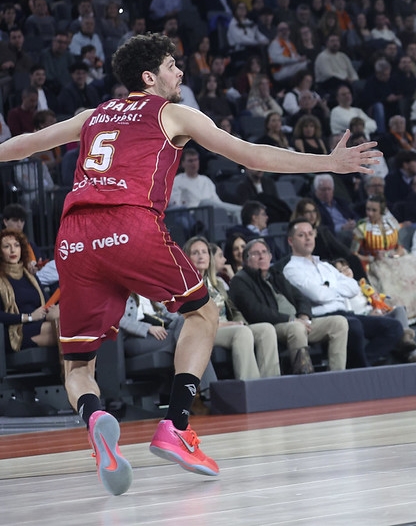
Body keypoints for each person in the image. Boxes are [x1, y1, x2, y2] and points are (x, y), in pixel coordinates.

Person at [0, 32, 379, 496]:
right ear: (149, 77)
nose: (180, 72)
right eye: (171, 65)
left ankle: (95, 418)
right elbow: (251, 154)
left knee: (77, 364)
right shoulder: (172, 113)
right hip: (130, 224)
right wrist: (328, 162)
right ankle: (176, 426)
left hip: (74, 238)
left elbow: (27, 144)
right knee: (203, 313)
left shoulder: (92, 115)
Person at [282, 220, 403, 367]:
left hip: (346, 314)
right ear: (291, 241)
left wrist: (327, 287)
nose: (308, 238)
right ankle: (360, 368)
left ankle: (360, 366)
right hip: (322, 318)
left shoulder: (325, 266)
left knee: (393, 327)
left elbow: (353, 287)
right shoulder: (291, 269)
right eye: (301, 235)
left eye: (310, 234)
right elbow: (318, 296)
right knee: (353, 325)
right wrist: (337, 289)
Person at [228, 238, 349, 373]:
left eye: (264, 252)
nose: (261, 256)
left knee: (339, 322)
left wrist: (304, 316)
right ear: (246, 260)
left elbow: (300, 298)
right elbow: (256, 311)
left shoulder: (275, 275)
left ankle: (336, 375)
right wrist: (290, 320)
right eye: (256, 254)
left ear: (270, 256)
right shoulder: (240, 280)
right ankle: (304, 376)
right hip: (273, 325)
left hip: (298, 321)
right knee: (296, 328)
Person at [183, 236, 280, 379]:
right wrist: (230, 325)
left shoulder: (217, 283)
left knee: (266, 329)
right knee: (241, 333)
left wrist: (241, 322)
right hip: (206, 332)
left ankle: (271, 383)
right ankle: (251, 387)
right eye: (195, 253)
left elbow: (233, 309)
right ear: (187, 258)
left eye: (204, 252)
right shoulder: (184, 286)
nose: (201, 256)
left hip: (229, 326)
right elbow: (193, 319)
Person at [0, 229, 58, 352]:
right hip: (16, 330)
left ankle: (74, 365)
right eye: (7, 246)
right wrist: (29, 317)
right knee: (66, 331)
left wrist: (54, 310)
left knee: (69, 326)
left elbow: (46, 302)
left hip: (40, 322)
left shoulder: (30, 276)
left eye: (16, 245)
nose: (13, 250)